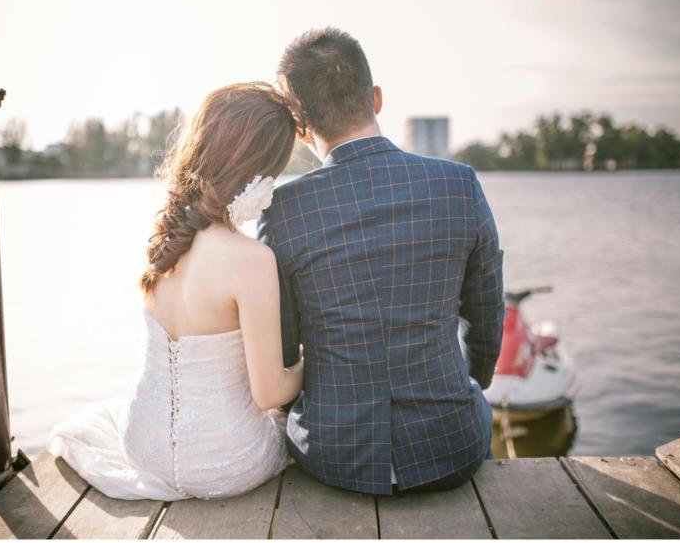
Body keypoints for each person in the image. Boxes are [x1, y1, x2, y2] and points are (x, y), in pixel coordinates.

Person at [257, 27, 504, 495]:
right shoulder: (459, 185)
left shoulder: (282, 211)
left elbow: (286, 350)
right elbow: (487, 316)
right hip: (451, 447)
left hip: (333, 456)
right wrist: (469, 384)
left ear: (301, 126)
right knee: (475, 409)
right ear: (376, 98)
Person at [47, 82, 304, 500]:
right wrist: (308, 364)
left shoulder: (169, 244)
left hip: (141, 446)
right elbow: (269, 393)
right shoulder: (252, 259)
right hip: (228, 461)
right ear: (260, 171)